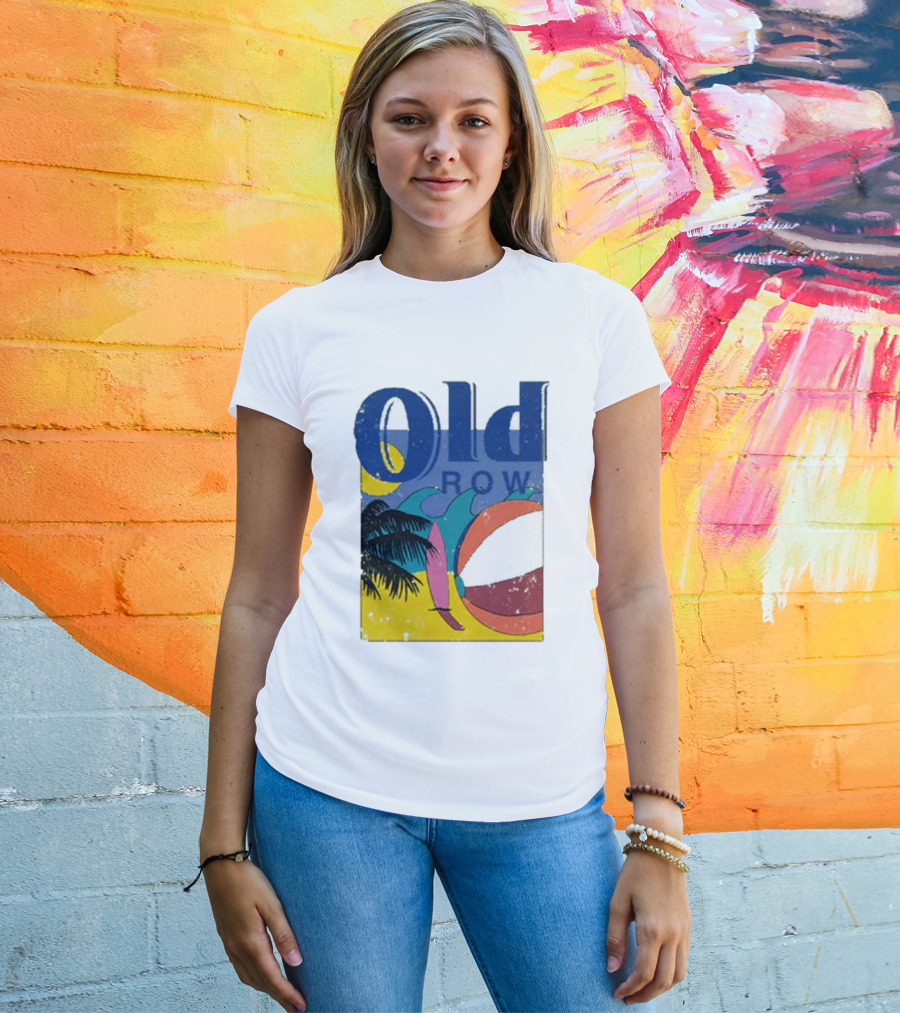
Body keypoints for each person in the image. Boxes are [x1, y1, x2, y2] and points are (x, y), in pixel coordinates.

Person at [194, 2, 692, 1010]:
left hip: (542, 799)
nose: (442, 149)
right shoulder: (297, 330)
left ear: (512, 146)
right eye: (409, 118)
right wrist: (219, 845)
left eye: (474, 120)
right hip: (328, 787)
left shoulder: (593, 320)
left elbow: (635, 585)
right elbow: (256, 593)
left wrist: (658, 824)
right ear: (366, 136)